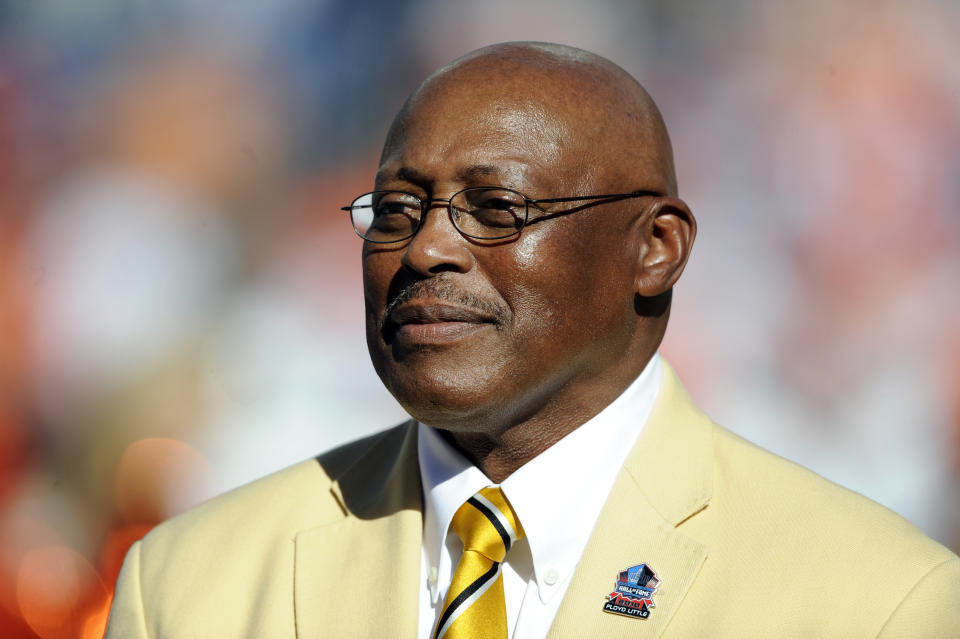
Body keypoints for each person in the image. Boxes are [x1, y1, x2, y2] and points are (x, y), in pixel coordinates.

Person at [105, 42, 959, 638]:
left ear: (655, 249)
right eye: (397, 210)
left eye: (497, 208)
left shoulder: (873, 602)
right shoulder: (189, 585)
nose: (428, 247)